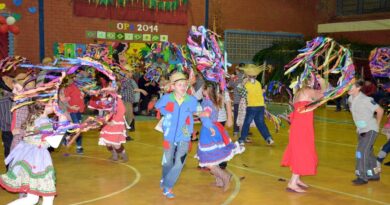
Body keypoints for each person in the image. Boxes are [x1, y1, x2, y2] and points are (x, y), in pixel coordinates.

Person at [0, 102, 65, 205]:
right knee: (48, 197)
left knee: (32, 199)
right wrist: (62, 125)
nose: (55, 105)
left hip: (28, 156)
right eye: (51, 103)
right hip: (38, 160)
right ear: (44, 107)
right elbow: (54, 144)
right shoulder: (44, 122)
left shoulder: (34, 117)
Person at [154, 72, 199, 199]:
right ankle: (165, 178)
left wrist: (209, 125)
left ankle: (168, 186)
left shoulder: (192, 100)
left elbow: (200, 112)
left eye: (185, 85)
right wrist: (166, 112)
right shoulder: (167, 98)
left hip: (184, 135)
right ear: (173, 86)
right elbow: (158, 106)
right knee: (167, 162)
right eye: (180, 85)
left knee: (179, 163)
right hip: (168, 136)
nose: (183, 87)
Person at [281, 75, 328, 193]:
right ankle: (292, 182)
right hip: (302, 127)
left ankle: (297, 180)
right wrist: (323, 82)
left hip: (299, 126)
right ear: (309, 81)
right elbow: (324, 94)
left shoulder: (298, 92)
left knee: (300, 151)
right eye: (314, 80)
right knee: (302, 152)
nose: (315, 82)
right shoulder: (307, 90)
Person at [196, 83, 244, 192]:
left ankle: (224, 176)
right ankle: (219, 181)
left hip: (209, 130)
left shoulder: (207, 102)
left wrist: (200, 115)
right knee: (214, 156)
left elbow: (205, 116)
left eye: (202, 89)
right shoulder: (215, 99)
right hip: (215, 128)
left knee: (208, 160)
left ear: (205, 91)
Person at [348, 80, 384, 185]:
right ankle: (374, 174)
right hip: (361, 130)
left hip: (370, 129)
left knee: (361, 152)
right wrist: (358, 126)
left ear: (358, 87)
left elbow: (380, 111)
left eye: (351, 86)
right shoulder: (350, 99)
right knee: (369, 153)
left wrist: (377, 124)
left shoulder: (366, 99)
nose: (348, 89)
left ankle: (362, 177)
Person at [238, 64, 274, 146]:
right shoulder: (258, 83)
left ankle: (242, 139)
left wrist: (241, 85)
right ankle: (268, 138)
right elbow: (259, 93)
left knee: (246, 123)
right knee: (261, 123)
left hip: (252, 106)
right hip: (260, 106)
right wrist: (263, 90)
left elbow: (243, 93)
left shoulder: (246, 84)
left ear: (247, 74)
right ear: (256, 75)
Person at [119, 65, 147, 139]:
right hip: (125, 101)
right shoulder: (125, 80)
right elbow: (132, 89)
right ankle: (124, 134)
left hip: (127, 101)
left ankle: (124, 134)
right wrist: (141, 90)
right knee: (127, 117)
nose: (132, 73)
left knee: (128, 117)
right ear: (126, 72)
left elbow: (131, 90)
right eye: (131, 72)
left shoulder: (127, 80)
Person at [99, 94, 128, 162]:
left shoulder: (118, 99)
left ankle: (124, 156)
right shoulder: (108, 98)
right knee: (107, 142)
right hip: (109, 123)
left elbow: (122, 111)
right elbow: (108, 110)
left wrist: (114, 121)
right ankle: (115, 155)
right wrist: (104, 119)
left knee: (116, 144)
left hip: (116, 124)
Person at [63, 75, 86, 154]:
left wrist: (82, 95)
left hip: (79, 110)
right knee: (77, 128)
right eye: (72, 78)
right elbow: (64, 100)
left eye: (74, 77)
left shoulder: (77, 86)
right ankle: (79, 146)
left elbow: (79, 97)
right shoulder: (66, 88)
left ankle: (66, 136)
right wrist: (71, 107)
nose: (74, 79)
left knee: (75, 127)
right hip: (72, 111)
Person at [228, 63, 245, 137]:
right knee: (244, 116)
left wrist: (231, 78)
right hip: (244, 102)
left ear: (237, 69)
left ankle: (235, 131)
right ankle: (244, 132)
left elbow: (229, 85)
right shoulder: (246, 78)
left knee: (236, 116)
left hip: (237, 101)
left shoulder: (236, 78)